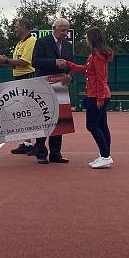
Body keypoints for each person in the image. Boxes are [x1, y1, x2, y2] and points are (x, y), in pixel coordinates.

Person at [62, 27, 114, 169]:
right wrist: (68, 64)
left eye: (86, 37)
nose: (85, 40)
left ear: (91, 39)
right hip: (97, 94)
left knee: (91, 125)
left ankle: (105, 156)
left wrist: (100, 99)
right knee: (102, 125)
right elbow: (85, 69)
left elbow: (101, 78)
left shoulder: (98, 56)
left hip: (97, 95)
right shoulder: (94, 55)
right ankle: (105, 155)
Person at [31, 18, 73, 164]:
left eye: (67, 30)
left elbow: (70, 65)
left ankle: (56, 153)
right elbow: (35, 61)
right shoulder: (42, 42)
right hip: (43, 85)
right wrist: (54, 62)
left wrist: (70, 76)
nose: (65, 33)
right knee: (43, 119)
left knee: (59, 119)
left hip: (60, 86)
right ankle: (41, 152)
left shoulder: (68, 45)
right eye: (62, 30)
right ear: (54, 28)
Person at [0, 17, 38, 154]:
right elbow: (16, 62)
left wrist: (6, 60)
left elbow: (25, 61)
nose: (14, 29)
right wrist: (6, 60)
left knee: (32, 112)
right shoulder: (20, 43)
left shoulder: (31, 41)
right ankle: (27, 143)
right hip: (19, 77)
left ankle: (38, 144)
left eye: (16, 26)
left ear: (24, 26)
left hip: (28, 77)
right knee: (23, 113)